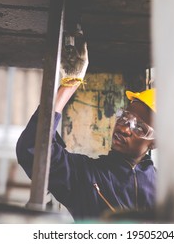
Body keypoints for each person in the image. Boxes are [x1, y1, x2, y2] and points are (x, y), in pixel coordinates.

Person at [16, 40, 157, 221]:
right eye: (124, 117)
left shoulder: (165, 191)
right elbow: (32, 150)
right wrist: (70, 84)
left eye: (138, 127)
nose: (123, 128)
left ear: (154, 142)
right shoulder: (85, 177)